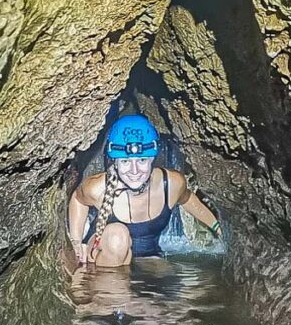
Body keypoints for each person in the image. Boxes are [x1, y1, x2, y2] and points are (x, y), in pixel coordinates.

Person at [67, 114, 221, 267]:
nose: (134, 171)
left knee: (174, 285)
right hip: (103, 254)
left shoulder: (171, 183)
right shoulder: (98, 187)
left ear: (152, 159)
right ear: (115, 161)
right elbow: (78, 199)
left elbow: (188, 199)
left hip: (150, 255)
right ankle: (111, 289)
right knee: (117, 237)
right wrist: (76, 242)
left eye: (142, 160)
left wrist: (217, 228)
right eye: (126, 161)